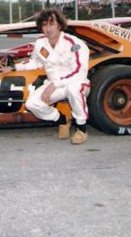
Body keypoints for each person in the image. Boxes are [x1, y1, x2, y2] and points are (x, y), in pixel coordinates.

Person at [15, 8, 90, 145]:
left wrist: (54, 85)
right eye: (44, 25)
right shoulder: (40, 43)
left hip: (77, 82)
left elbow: (80, 72)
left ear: (60, 25)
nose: (48, 29)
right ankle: (62, 120)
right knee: (32, 104)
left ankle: (81, 129)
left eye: (51, 24)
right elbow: (35, 62)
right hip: (52, 85)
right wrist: (16, 67)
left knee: (74, 89)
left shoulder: (74, 44)